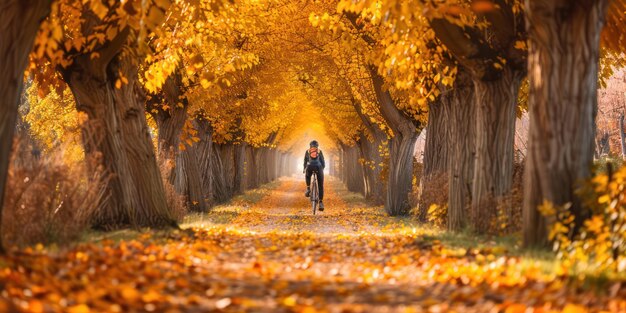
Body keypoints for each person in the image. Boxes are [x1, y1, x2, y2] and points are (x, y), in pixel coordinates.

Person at [303, 140, 325, 211]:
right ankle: (321, 202)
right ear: (317, 146)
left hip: (310, 167)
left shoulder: (307, 151)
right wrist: (322, 169)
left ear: (310, 145)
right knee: (320, 185)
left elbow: (305, 161)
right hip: (318, 168)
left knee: (307, 175)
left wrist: (304, 169)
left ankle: (308, 188)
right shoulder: (319, 151)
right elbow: (323, 161)